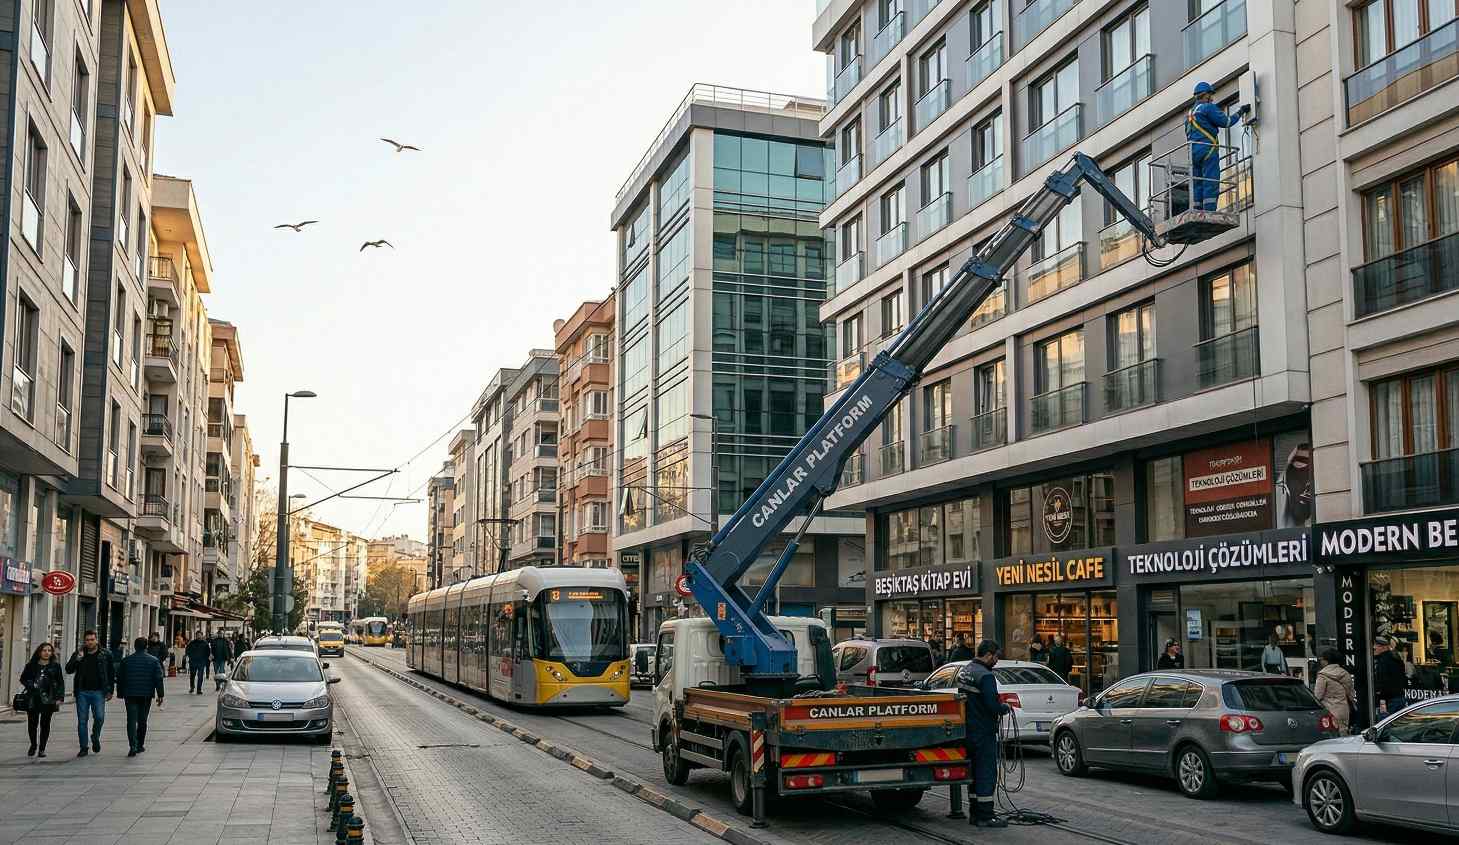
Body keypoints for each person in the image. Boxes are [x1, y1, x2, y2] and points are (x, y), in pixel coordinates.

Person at [957, 640, 1011, 829]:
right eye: (996, 657)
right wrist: (1004, 708)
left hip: (967, 730)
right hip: (983, 731)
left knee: (973, 773)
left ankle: (974, 812)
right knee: (986, 773)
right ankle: (986, 815)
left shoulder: (966, 670)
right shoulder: (986, 676)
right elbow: (992, 705)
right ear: (989, 655)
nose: (997, 661)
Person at [1186, 81, 1251, 211]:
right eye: (1211, 95)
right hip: (1207, 151)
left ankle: (1197, 210)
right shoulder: (1207, 108)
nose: (1212, 98)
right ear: (1206, 95)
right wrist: (1240, 111)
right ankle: (1209, 211)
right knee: (1211, 181)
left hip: (1193, 154)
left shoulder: (1189, 115)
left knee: (1197, 183)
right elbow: (1226, 122)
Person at [65, 630, 114, 757]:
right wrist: (77, 659)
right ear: (84, 641)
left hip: (98, 691)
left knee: (99, 717)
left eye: (92, 639)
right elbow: (68, 669)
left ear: (96, 640)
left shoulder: (106, 654)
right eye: (87, 640)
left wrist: (110, 691)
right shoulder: (79, 653)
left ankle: (95, 736)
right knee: (82, 720)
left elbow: (111, 673)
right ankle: (83, 747)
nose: (90, 642)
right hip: (82, 692)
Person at [116, 637, 165, 757]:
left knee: (131, 720)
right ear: (146, 646)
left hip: (130, 694)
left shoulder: (126, 661)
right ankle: (140, 745)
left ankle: (132, 745)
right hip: (146, 694)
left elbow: (120, 678)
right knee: (142, 720)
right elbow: (158, 678)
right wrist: (160, 695)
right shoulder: (153, 661)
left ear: (134, 646)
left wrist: (120, 693)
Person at [19, 642, 65, 757]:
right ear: (39, 652)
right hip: (34, 698)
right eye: (44, 650)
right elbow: (23, 679)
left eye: (49, 650)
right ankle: (33, 745)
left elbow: (60, 682)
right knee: (32, 723)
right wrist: (31, 685)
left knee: (45, 723)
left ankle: (42, 748)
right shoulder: (31, 665)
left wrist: (60, 697)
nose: (47, 653)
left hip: (49, 699)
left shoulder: (55, 665)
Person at [1314, 649, 1355, 734]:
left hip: (1330, 712)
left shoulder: (1322, 675)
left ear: (1326, 661)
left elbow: (1317, 696)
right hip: (1344, 710)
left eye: (1321, 659)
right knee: (1344, 735)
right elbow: (1351, 694)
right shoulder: (1345, 674)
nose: (1321, 662)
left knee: (1332, 739)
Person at [1373, 636, 1408, 718]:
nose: (1374, 648)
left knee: (1385, 726)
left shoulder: (1383, 661)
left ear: (1384, 647)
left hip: (1390, 700)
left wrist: (1382, 701)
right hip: (1399, 697)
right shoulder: (1396, 658)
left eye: (1376, 646)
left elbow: (1383, 682)